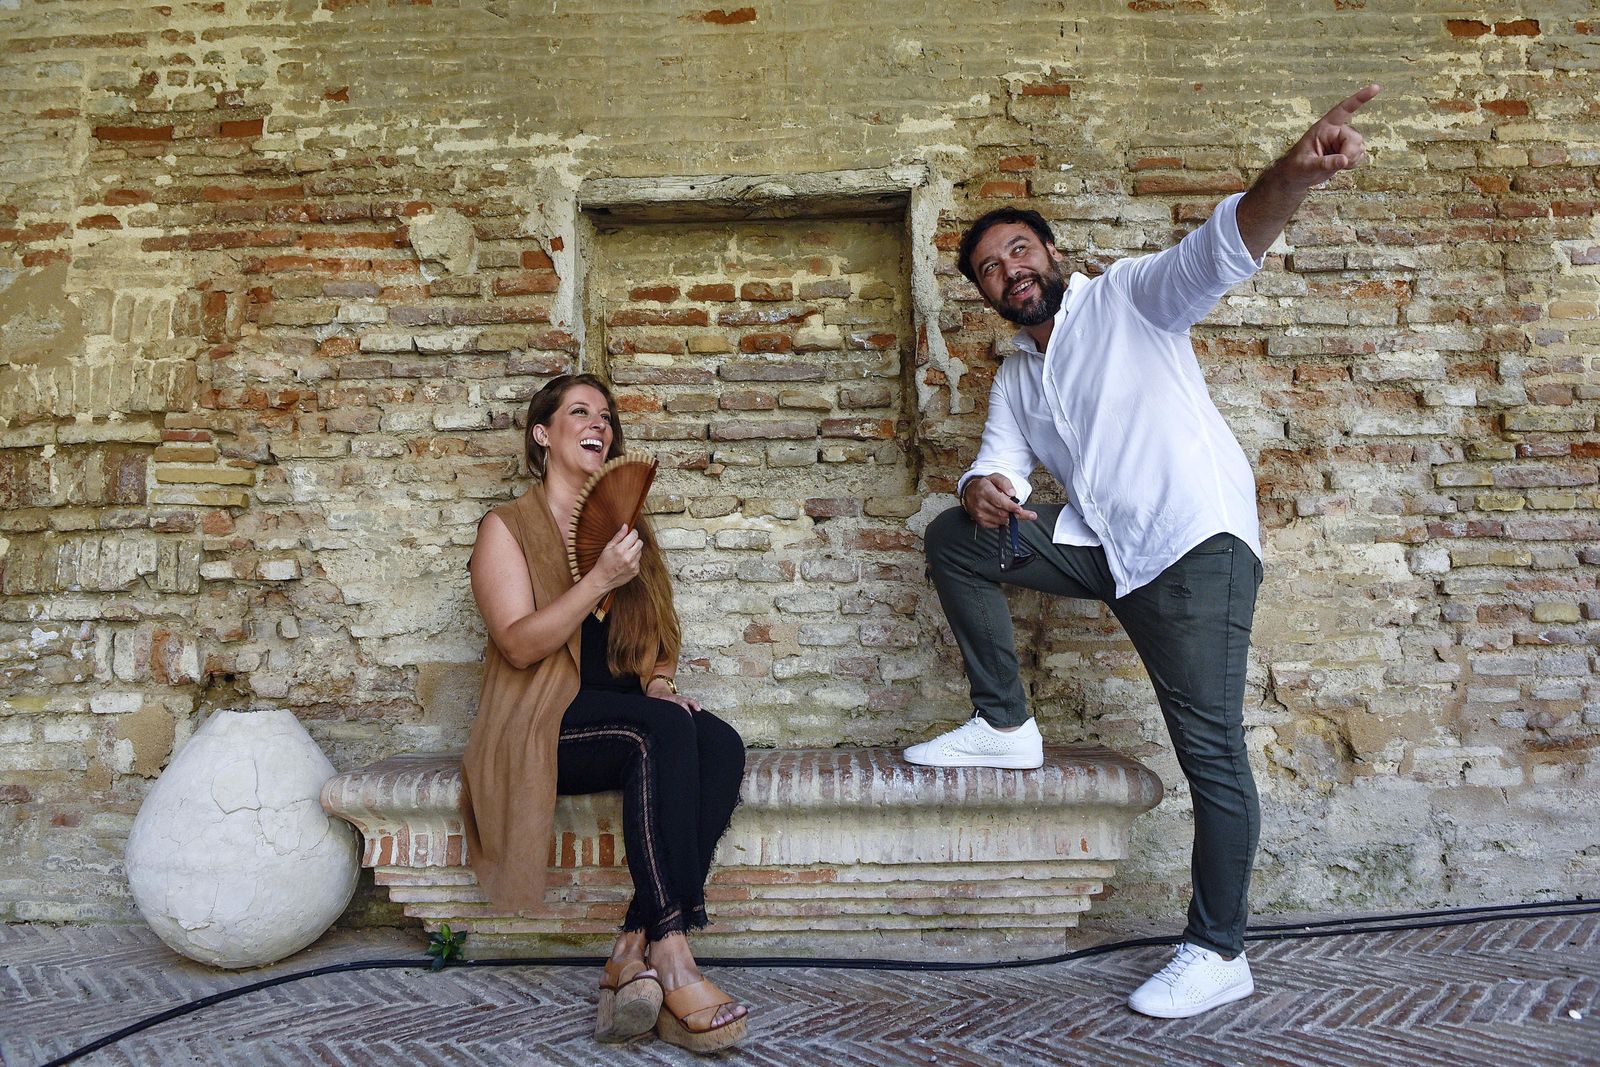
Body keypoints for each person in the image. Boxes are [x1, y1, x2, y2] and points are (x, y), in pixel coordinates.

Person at [908, 86, 1380, 1018]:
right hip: (1105, 551)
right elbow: (994, 469)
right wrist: (980, 490)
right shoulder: (1016, 377)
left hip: (1192, 543)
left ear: (1052, 255)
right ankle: (1005, 725)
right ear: (986, 296)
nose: (1010, 270)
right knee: (954, 536)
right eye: (991, 269)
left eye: (1020, 250)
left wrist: (1290, 175)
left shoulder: (1127, 296)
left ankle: (1219, 949)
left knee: (1209, 751)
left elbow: (1221, 247)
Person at [461, 373, 748, 1052]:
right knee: (662, 732)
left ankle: (631, 943)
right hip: (537, 725)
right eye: (580, 411)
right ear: (543, 433)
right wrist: (597, 581)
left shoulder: (624, 525)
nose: (600, 424)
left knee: (721, 741)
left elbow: (658, 637)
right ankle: (673, 951)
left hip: (624, 716)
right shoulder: (506, 528)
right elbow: (518, 643)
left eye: (607, 416)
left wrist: (656, 681)